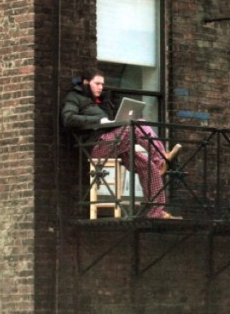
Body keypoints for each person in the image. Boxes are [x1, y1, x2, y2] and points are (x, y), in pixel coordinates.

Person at [62, 67, 181, 219]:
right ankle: (161, 158)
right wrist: (98, 120)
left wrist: (111, 115)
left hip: (113, 143)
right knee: (138, 124)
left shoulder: (101, 101)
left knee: (147, 166)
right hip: (94, 146)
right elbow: (68, 119)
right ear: (86, 82)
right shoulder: (74, 97)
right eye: (97, 84)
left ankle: (156, 212)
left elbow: (112, 122)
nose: (101, 87)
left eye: (102, 84)